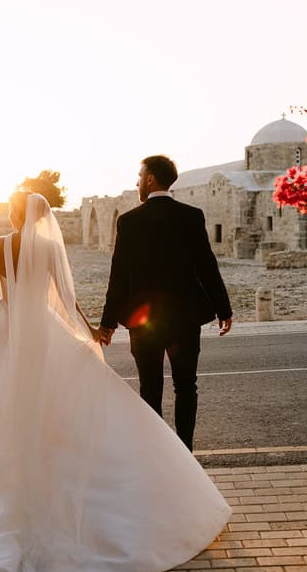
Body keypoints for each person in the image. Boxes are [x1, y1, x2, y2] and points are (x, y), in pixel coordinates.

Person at [0, 191, 230, 572]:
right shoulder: (49, 247)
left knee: (6, 405)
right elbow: (65, 299)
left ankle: (13, 472)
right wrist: (89, 331)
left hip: (9, 331)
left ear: (13, 214)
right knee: (53, 400)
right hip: (45, 332)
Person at [99, 155, 233, 452]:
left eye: (139, 176)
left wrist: (107, 322)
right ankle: (185, 452)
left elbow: (118, 275)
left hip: (144, 321)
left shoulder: (129, 221)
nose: (137, 182)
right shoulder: (191, 216)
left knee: (150, 388)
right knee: (186, 386)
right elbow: (207, 266)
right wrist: (224, 308)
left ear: (150, 179)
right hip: (185, 318)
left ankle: (156, 453)